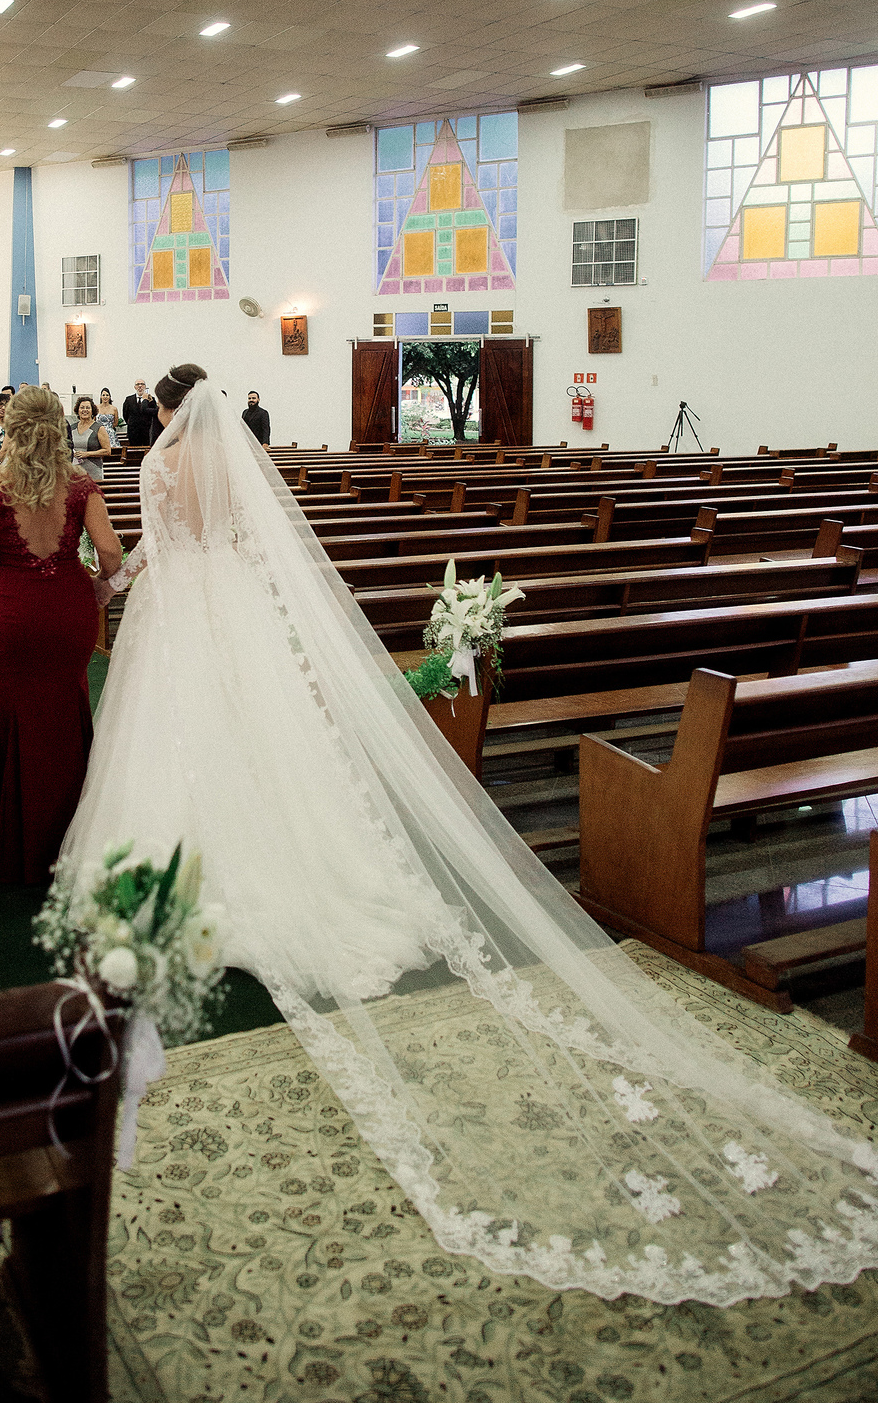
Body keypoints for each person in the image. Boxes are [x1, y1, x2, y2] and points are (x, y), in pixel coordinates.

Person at [48, 366, 878, 1311]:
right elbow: (248, 541)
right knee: (260, 742)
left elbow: (150, 551)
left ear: (163, 409)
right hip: (233, 611)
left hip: (180, 619)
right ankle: (281, 853)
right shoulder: (234, 463)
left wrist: (111, 585)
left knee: (176, 738)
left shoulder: (158, 464)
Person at [0, 387, 121, 885]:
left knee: (9, 714)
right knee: (68, 712)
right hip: (68, 610)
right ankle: (72, 840)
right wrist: (101, 586)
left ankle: (8, 847)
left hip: (11, 613)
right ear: (58, 427)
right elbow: (111, 552)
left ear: (11, 426)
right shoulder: (79, 484)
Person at [72, 394, 111, 481]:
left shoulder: (99, 428)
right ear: (78, 410)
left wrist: (87, 454)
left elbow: (107, 451)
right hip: (75, 471)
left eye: (88, 408)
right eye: (82, 408)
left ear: (92, 411)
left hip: (93, 471)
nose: (85, 410)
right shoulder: (72, 428)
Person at [122, 379, 157, 447]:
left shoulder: (151, 399)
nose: (140, 386)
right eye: (138, 384)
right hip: (133, 432)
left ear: (145, 387)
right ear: (135, 387)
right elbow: (125, 414)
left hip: (147, 431)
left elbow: (154, 413)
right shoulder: (129, 399)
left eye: (142, 384)